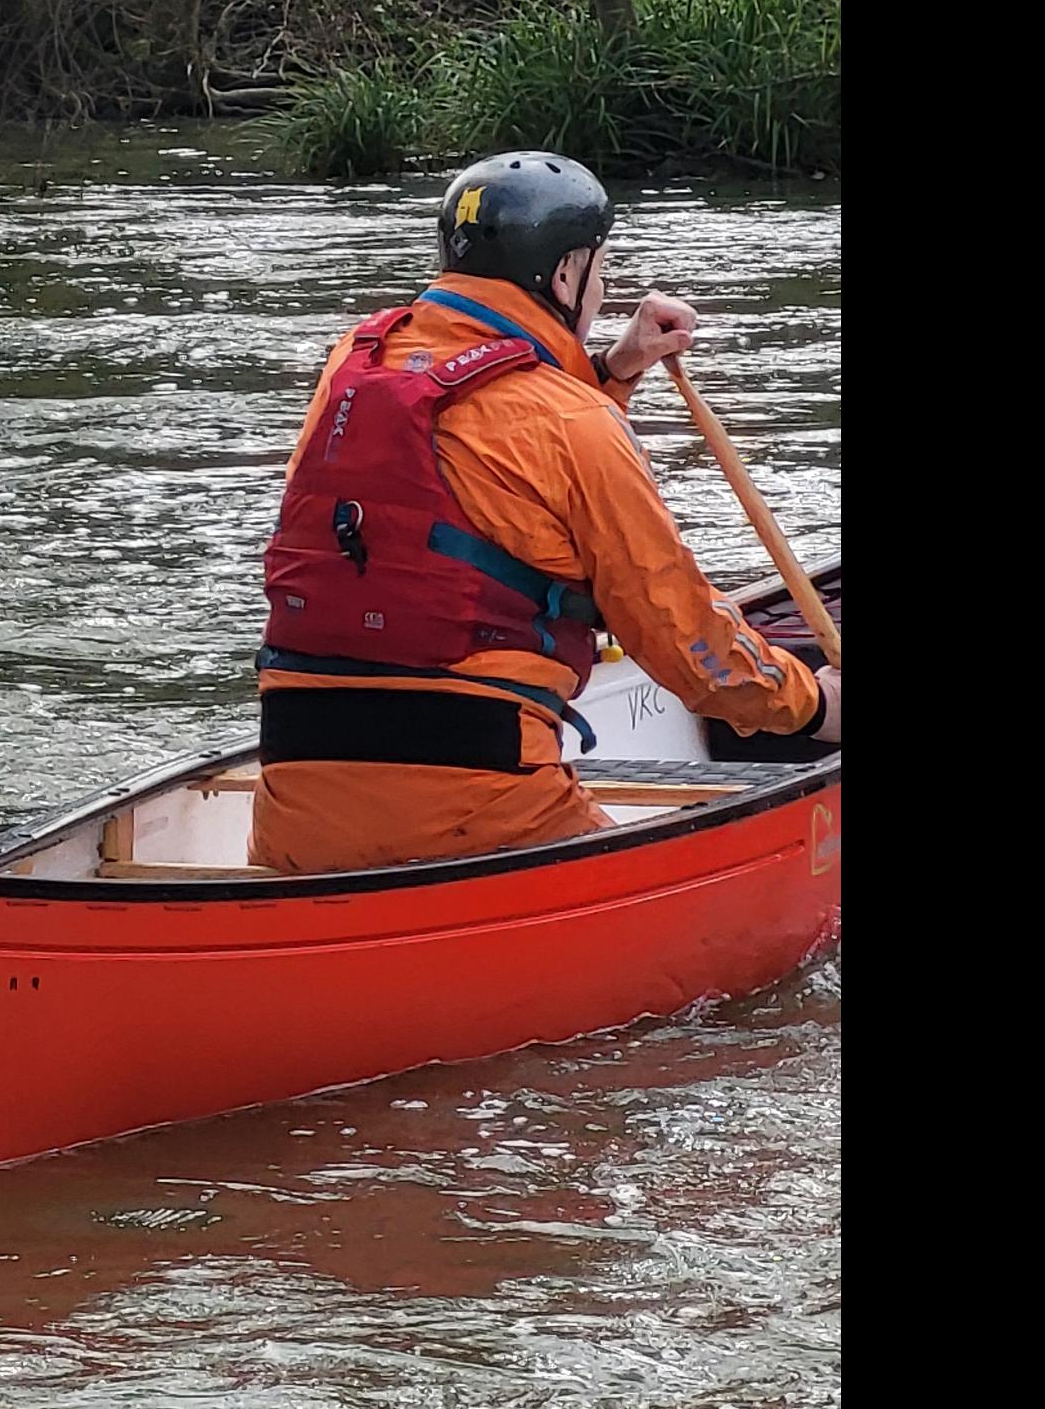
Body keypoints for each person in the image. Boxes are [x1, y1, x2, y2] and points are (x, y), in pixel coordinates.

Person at [252, 150, 837, 876]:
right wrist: (814, 705)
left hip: (292, 814)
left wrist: (614, 370)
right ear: (565, 275)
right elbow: (689, 647)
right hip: (487, 815)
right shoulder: (574, 422)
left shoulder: (353, 363)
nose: (600, 291)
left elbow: (480, 460)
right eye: (599, 270)